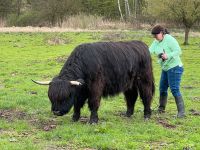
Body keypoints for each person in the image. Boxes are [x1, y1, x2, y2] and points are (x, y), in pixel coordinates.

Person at [149, 25, 185, 118]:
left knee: (174, 89)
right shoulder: (156, 42)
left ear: (161, 33)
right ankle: (161, 109)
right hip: (165, 68)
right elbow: (148, 51)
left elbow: (178, 51)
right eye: (153, 36)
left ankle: (181, 113)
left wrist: (168, 55)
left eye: (156, 35)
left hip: (175, 67)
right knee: (162, 88)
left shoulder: (169, 39)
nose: (155, 37)